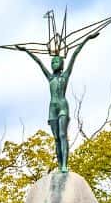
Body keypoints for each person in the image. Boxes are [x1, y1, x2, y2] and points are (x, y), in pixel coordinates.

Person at [15, 32, 99, 172]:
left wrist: (87, 38)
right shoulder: (50, 77)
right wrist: (26, 51)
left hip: (62, 106)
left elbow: (75, 54)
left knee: (62, 135)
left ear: (61, 64)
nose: (54, 63)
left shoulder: (65, 75)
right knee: (56, 139)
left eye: (56, 61)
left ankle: (65, 165)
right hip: (52, 108)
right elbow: (38, 62)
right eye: (52, 62)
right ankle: (60, 165)